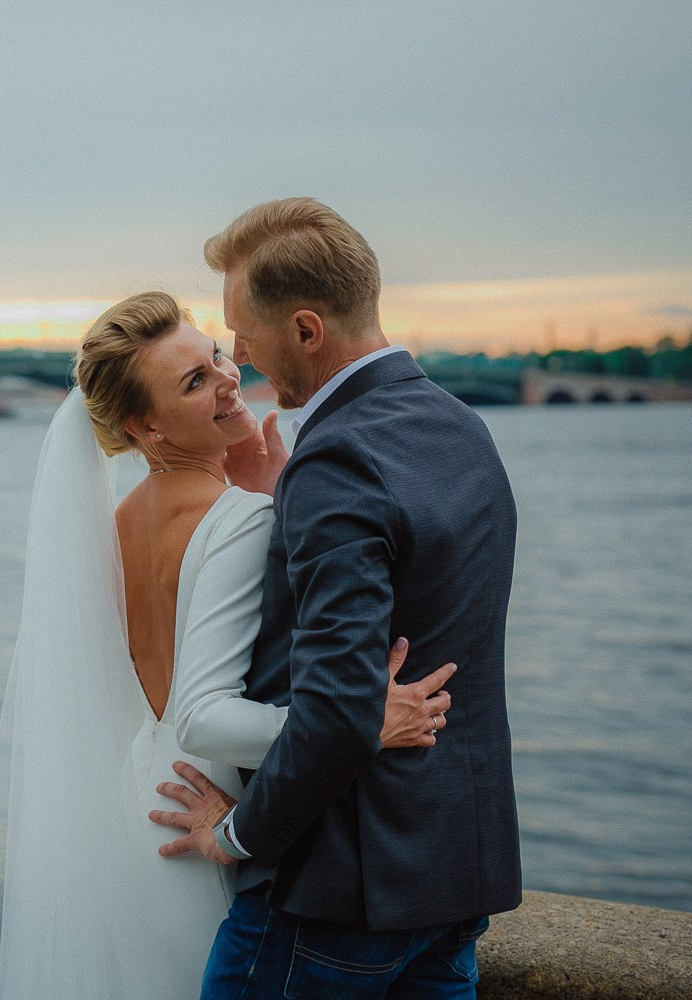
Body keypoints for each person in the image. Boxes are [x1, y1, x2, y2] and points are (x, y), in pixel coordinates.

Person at [0, 290, 457, 999]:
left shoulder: (112, 528)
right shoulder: (239, 520)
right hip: (201, 818)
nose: (228, 379)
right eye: (194, 382)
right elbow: (204, 716)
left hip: (132, 808)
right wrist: (362, 722)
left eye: (214, 358)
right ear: (146, 427)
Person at [150, 198, 521, 999]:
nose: (238, 355)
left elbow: (339, 711)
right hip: (455, 878)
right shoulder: (461, 427)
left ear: (307, 330)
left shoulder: (336, 462)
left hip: (334, 894)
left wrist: (235, 835)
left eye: (244, 332)